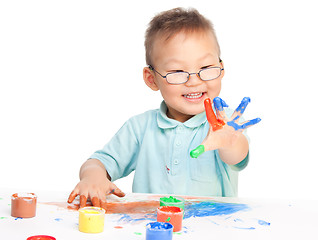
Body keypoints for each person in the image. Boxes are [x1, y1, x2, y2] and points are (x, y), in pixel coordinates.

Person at [68, 7, 260, 209]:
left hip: (211, 228)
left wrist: (228, 141)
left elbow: (237, 157)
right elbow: (99, 162)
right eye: (177, 71)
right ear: (152, 79)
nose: (194, 81)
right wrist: (92, 177)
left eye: (205, 68)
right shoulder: (140, 128)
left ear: (221, 70)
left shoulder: (225, 123)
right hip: (151, 228)